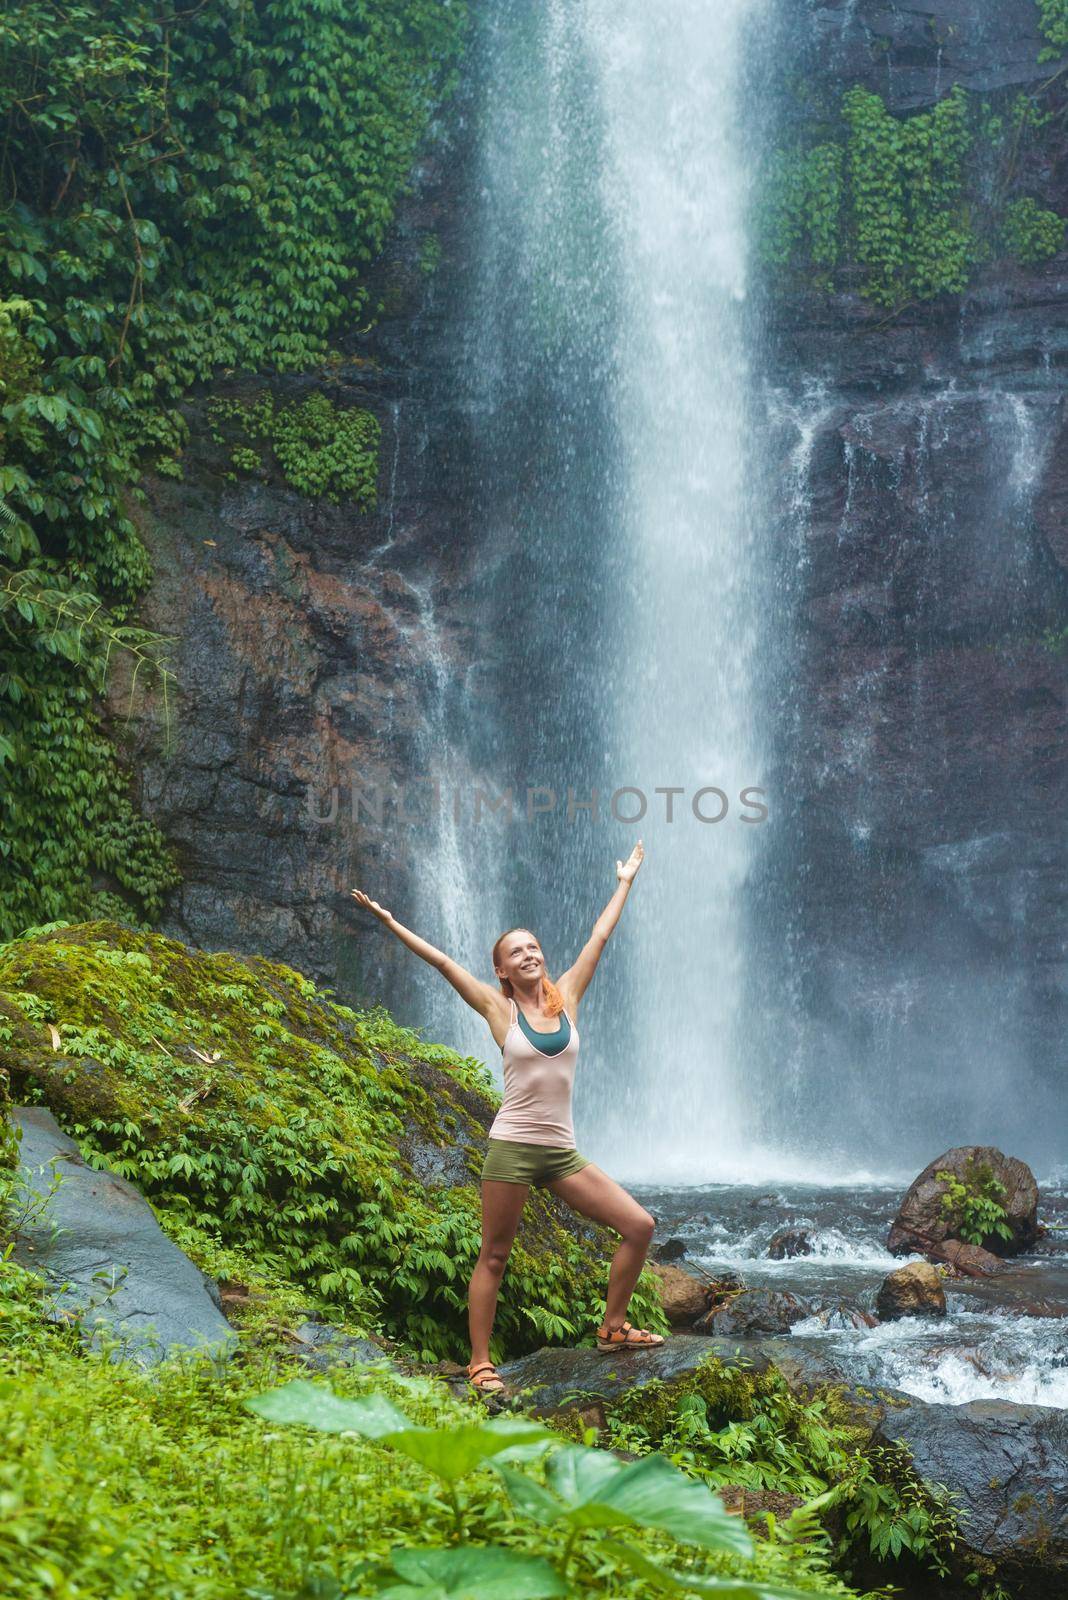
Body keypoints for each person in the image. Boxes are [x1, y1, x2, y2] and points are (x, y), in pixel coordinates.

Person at [351, 838, 664, 1394]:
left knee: (639, 1226)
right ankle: (479, 1362)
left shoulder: (566, 995)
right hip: (513, 1147)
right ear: (500, 968)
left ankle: (612, 1328)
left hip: (562, 1152)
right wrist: (390, 921)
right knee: (494, 1254)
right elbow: (443, 962)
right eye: (516, 951)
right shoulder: (499, 1010)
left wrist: (625, 882)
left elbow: (599, 936)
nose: (529, 954)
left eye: (534, 946)